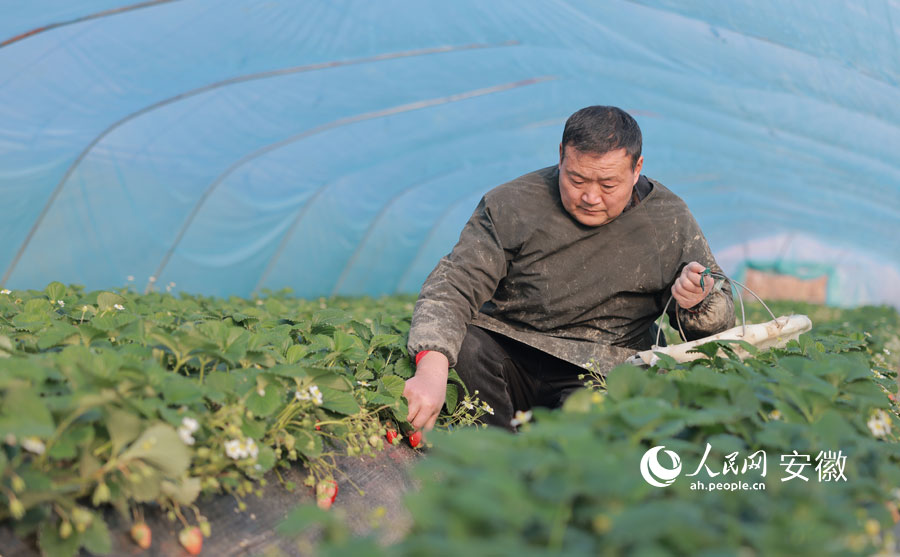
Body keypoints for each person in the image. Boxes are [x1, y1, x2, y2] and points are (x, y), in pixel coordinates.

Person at [403, 105, 735, 432]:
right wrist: (431, 368)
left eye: (608, 185)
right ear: (561, 155)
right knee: (463, 349)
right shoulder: (513, 204)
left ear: (637, 169)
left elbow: (718, 325)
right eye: (576, 179)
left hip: (604, 366)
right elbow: (455, 282)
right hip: (511, 350)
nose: (590, 197)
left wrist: (698, 303)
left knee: (592, 420)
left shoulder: (670, 220)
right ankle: (493, 458)